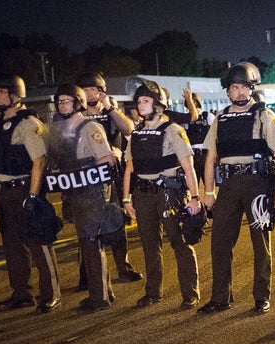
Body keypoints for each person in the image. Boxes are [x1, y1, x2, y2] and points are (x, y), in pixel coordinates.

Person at [199, 62, 275, 315]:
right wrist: (208, 193)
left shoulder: (264, 115)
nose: (239, 92)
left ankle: (261, 296)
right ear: (228, 91)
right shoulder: (220, 118)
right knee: (219, 243)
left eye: (244, 87)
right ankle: (220, 298)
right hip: (228, 185)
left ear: (251, 89)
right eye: (234, 87)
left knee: (260, 244)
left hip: (257, 184)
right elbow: (210, 158)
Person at [121, 80, 202, 310]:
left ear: (158, 104)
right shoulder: (136, 133)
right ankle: (153, 292)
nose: (140, 104)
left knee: (180, 241)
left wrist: (195, 199)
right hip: (143, 194)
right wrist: (126, 199)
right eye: (139, 101)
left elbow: (188, 167)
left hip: (169, 193)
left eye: (145, 100)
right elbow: (129, 167)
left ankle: (190, 293)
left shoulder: (173, 130)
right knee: (149, 244)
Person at [0, 73, 61, 314]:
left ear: (15, 95)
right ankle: (21, 293)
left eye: (1, 91)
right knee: (13, 246)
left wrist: (33, 196)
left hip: (25, 189)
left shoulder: (29, 124)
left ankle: (51, 294)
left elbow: (39, 161)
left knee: (38, 242)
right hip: (4, 192)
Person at [43, 84, 116, 312]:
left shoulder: (89, 127)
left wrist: (86, 174)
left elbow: (107, 159)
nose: (62, 105)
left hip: (91, 192)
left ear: (78, 102)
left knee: (93, 242)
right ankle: (104, 291)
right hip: (73, 193)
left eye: (67, 101)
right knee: (86, 243)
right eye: (60, 101)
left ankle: (100, 297)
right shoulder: (60, 129)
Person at [75, 71, 143, 286]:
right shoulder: (76, 115)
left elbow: (129, 129)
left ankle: (123, 267)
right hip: (86, 176)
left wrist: (111, 108)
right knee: (86, 225)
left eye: (93, 89)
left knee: (116, 221)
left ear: (101, 91)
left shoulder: (111, 111)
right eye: (85, 90)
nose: (89, 93)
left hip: (111, 174)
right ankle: (86, 274)